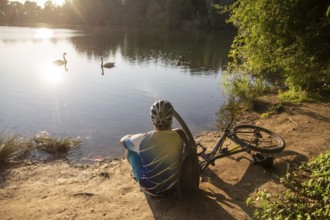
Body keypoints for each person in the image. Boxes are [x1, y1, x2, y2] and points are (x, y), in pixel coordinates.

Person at [120, 100, 183, 197]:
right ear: (171, 118)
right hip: (174, 186)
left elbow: (122, 141)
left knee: (130, 150)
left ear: (152, 119)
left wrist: (130, 136)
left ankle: (138, 176)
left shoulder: (143, 138)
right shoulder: (180, 135)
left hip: (152, 190)